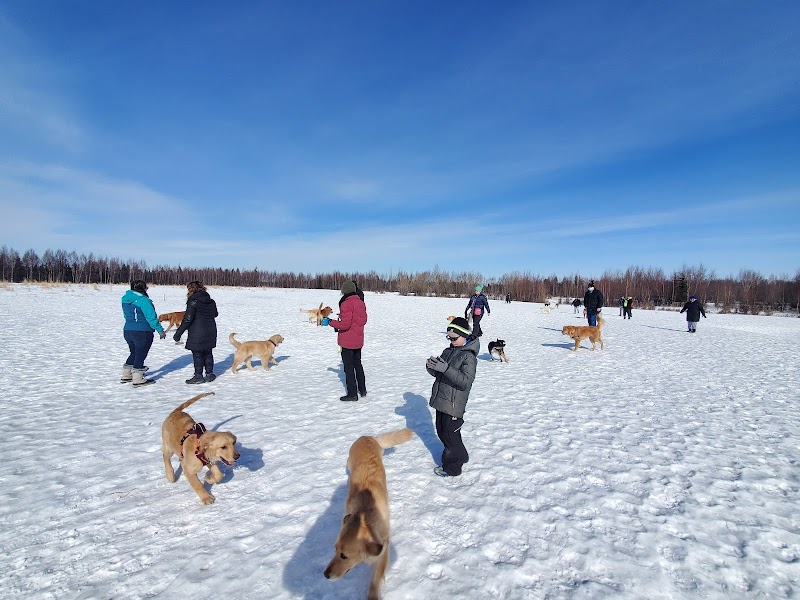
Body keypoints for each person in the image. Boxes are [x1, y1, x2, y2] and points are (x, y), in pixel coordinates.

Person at [426, 316, 478, 478]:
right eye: (449, 338)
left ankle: (453, 468)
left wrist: (446, 368)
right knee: (443, 432)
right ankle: (462, 455)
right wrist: (432, 367)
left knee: (450, 437)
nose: (451, 341)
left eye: (454, 338)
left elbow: (465, 382)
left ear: (465, 336)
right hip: (442, 401)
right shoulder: (448, 351)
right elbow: (439, 374)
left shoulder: (468, 357)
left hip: (454, 405)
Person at [323, 280, 368, 401]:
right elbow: (363, 320)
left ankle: (352, 394)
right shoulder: (361, 302)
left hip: (348, 341)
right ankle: (362, 389)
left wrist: (330, 322)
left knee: (348, 367)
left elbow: (345, 325)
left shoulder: (346, 304)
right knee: (358, 364)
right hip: (358, 340)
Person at [121, 279, 165, 386]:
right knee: (140, 354)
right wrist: (160, 330)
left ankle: (126, 374)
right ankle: (137, 378)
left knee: (134, 352)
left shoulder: (125, 299)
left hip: (128, 330)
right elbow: (151, 317)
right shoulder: (144, 300)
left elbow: (126, 315)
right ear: (143, 288)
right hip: (142, 331)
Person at [173, 281, 219, 384]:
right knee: (208, 352)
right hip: (210, 330)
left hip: (197, 331)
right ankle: (209, 374)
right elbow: (215, 314)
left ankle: (198, 376)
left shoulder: (193, 301)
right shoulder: (211, 301)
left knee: (197, 353)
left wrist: (178, 333)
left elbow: (187, 319)